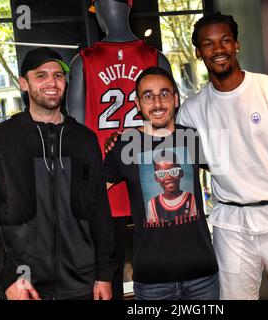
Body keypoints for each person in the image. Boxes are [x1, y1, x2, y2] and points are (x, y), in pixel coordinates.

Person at [175, 13, 268, 300]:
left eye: (225, 41)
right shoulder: (191, 111)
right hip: (229, 224)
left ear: (237, 45)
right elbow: (193, 163)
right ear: (198, 52)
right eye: (208, 44)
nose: (218, 50)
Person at [0, 47, 116, 300]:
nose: (52, 82)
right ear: (23, 83)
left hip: (82, 285)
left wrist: (104, 273)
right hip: (23, 287)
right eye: (41, 75)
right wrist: (7, 278)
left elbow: (99, 210)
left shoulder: (84, 139)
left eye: (58, 76)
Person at [66, 0, 171, 299]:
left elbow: (74, 128)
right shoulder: (155, 57)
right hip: (150, 179)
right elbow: (173, 118)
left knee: (108, 275)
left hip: (108, 181)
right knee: (154, 271)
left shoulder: (83, 60)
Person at [103, 66, 219, 300]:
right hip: (151, 281)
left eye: (164, 94)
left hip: (202, 277)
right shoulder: (124, 146)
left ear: (176, 100)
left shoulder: (194, 139)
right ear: (138, 104)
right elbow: (92, 198)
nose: (157, 103)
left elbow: (235, 175)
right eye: (148, 96)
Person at [146, 152, 197, 226]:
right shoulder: (152, 203)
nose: (168, 177)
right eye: (161, 174)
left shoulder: (191, 198)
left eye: (173, 171)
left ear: (181, 173)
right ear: (156, 178)